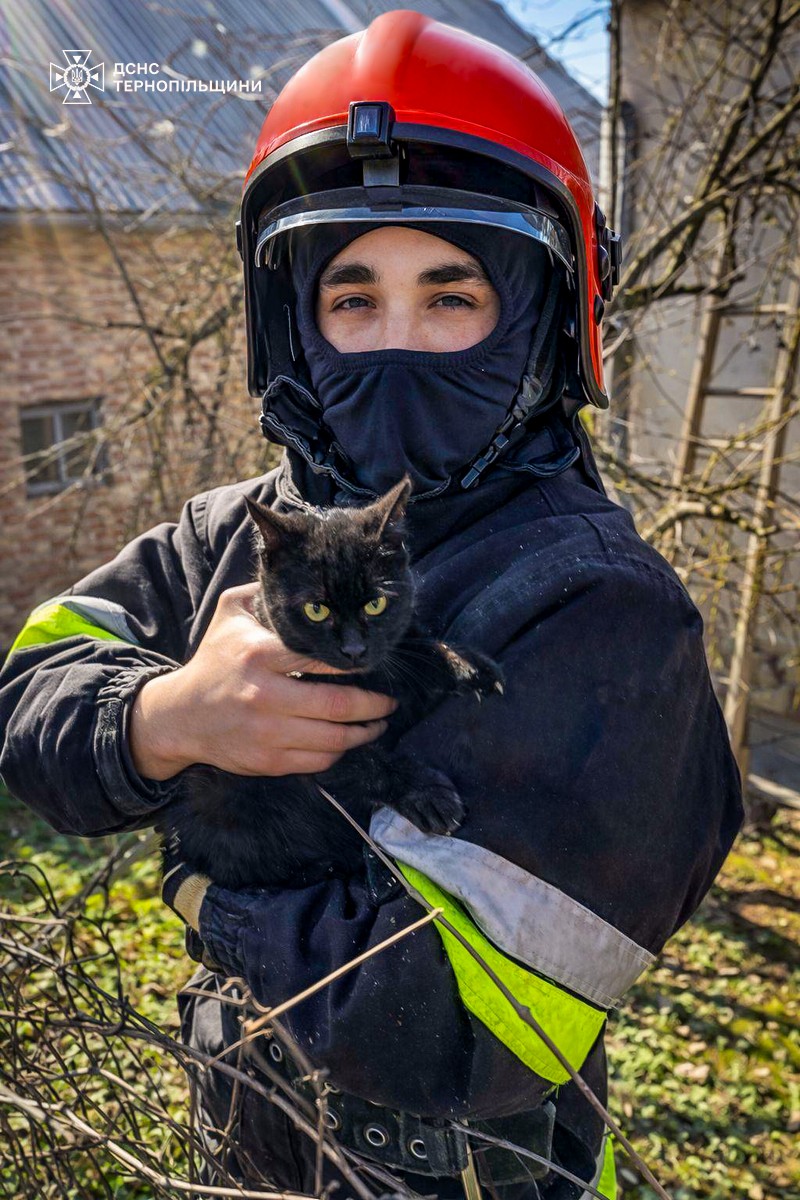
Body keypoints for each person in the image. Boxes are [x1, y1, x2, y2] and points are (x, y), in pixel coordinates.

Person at [0, 12, 743, 1199]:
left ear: (547, 320)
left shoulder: (602, 608)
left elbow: (452, 1026)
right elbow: (33, 687)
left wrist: (204, 890)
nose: (396, 342)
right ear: (293, 326)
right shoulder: (237, 531)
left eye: (451, 296)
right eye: (352, 299)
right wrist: (163, 720)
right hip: (239, 1151)